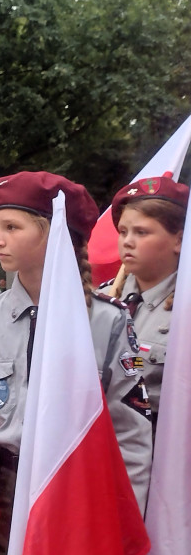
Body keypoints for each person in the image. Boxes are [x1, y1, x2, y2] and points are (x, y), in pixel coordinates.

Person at [0, 171, 154, 555]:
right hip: (1, 495)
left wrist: (124, 529)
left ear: (53, 231)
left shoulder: (106, 322)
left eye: (12, 227)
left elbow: (131, 434)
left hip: (83, 498)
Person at [103, 172, 187, 430]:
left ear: (180, 240)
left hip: (162, 453)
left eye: (141, 232)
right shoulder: (103, 300)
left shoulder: (185, 310)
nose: (127, 241)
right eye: (123, 231)